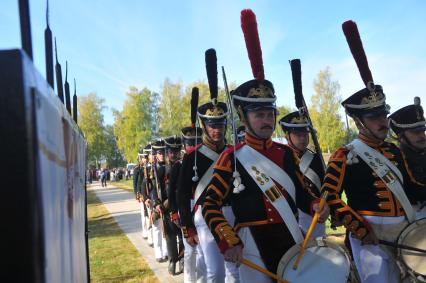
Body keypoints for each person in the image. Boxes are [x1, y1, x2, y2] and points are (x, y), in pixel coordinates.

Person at [201, 10, 328, 282]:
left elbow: (301, 194)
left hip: (291, 236)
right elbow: (210, 204)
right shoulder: (231, 158)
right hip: (251, 244)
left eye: (269, 113)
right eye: (259, 114)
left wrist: (315, 202)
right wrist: (228, 240)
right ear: (244, 117)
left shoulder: (284, 154)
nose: (267, 120)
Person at [323, 20, 426, 283]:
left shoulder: (393, 150)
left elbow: (411, 186)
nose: (383, 122)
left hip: (406, 230)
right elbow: (331, 197)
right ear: (359, 122)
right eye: (375, 117)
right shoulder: (344, 155)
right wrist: (357, 227)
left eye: (384, 114)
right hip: (370, 235)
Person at [178, 49, 239, 283]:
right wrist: (187, 228)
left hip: (233, 214)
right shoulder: (192, 157)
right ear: (205, 126)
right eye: (212, 125)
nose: (217, 129)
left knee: (235, 269)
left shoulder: (233, 153)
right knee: (215, 271)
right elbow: (182, 194)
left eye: (220, 124)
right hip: (204, 215)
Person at [279, 111, 326, 238]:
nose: (303, 138)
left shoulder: (317, 159)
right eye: (297, 134)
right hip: (292, 215)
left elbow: (325, 187)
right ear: (287, 136)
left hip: (316, 215)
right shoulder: (281, 159)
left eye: (305, 134)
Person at [174, 87, 204, 282]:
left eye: (196, 141)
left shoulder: (203, 158)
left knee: (204, 255)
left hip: (204, 209)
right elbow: (178, 193)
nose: (192, 145)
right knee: (191, 251)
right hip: (188, 210)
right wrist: (183, 221)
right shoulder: (181, 164)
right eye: (189, 143)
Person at [389, 98, 426, 219]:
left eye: (423, 131)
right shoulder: (394, 160)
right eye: (416, 132)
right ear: (401, 137)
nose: (422, 136)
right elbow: (413, 190)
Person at [162, 136, 185, 275]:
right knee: (170, 237)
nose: (173, 154)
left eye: (176, 151)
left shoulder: (183, 166)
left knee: (183, 235)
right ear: (167, 152)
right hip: (167, 209)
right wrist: (158, 203)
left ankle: (182, 258)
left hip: (180, 206)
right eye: (171, 151)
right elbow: (157, 190)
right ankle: (172, 260)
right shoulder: (162, 169)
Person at [149, 139, 169, 262]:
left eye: (163, 153)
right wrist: (155, 202)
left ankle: (167, 252)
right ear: (156, 155)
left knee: (167, 228)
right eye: (159, 153)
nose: (162, 155)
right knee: (157, 228)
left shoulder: (168, 167)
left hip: (167, 203)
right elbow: (151, 188)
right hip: (155, 202)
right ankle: (158, 253)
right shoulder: (153, 169)